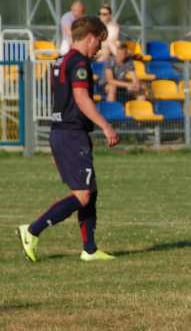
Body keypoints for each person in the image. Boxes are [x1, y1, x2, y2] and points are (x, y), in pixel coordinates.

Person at [16, 16, 120, 263]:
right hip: (71, 134)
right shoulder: (79, 63)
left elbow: (64, 101)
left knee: (89, 191)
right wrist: (106, 127)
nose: (99, 48)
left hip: (63, 133)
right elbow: (81, 98)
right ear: (91, 37)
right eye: (99, 42)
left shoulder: (61, 61)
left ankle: (90, 249)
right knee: (83, 194)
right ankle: (32, 230)